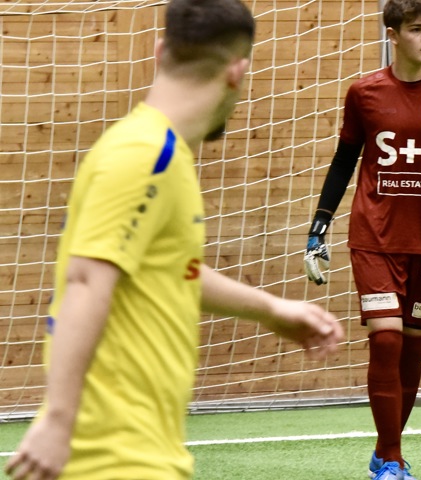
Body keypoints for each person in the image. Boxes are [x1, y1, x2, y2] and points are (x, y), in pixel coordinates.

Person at [3, 1, 343, 479]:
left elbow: (173, 269)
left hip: (146, 452)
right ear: (237, 71)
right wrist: (58, 420)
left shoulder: (164, 154)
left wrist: (271, 310)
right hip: (113, 457)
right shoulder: (147, 154)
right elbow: (85, 280)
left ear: (160, 50)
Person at [302, 0, 421, 478]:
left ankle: (385, 453)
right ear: (393, 34)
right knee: (386, 341)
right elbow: (344, 162)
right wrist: (319, 225)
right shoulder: (364, 93)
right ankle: (394, 463)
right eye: (416, 29)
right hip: (374, 235)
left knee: (415, 347)